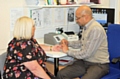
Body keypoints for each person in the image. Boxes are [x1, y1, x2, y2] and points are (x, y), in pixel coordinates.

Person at [57, 5, 110, 79]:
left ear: (86, 17)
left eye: (78, 18)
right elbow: (81, 43)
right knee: (61, 74)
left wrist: (67, 51)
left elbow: (86, 54)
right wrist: (68, 43)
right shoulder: (86, 27)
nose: (76, 20)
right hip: (86, 62)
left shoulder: (95, 29)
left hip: (99, 64)